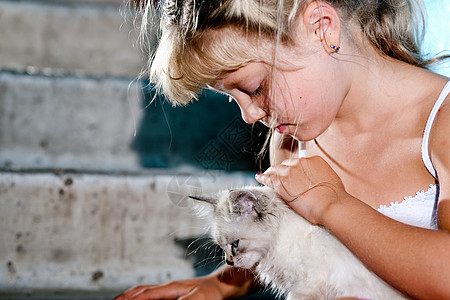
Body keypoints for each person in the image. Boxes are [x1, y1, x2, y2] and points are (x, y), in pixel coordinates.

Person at [116, 0, 450, 299]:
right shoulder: (291, 143)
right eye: (232, 98)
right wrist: (222, 284)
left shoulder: (443, 123)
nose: (249, 115)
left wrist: (332, 204)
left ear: (322, 27)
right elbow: (294, 246)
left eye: (254, 88)